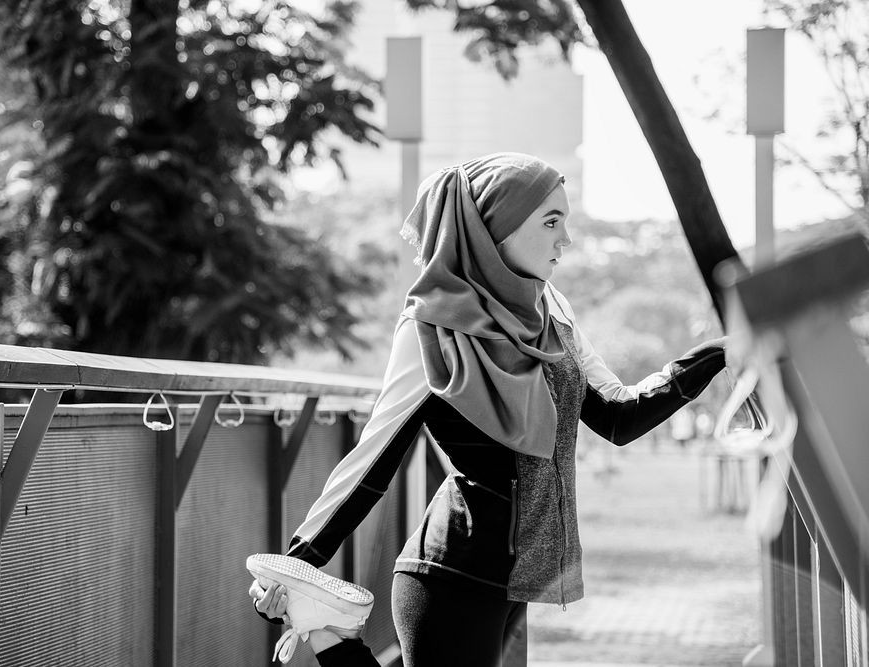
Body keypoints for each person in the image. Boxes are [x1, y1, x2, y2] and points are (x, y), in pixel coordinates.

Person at [248, 153, 728, 666]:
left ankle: (325, 628)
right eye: (550, 222)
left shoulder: (551, 309)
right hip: (451, 575)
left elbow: (617, 416)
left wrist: (720, 353)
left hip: (522, 574)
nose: (565, 240)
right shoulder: (430, 327)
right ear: (496, 230)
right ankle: (324, 629)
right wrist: (296, 566)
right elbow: (372, 462)